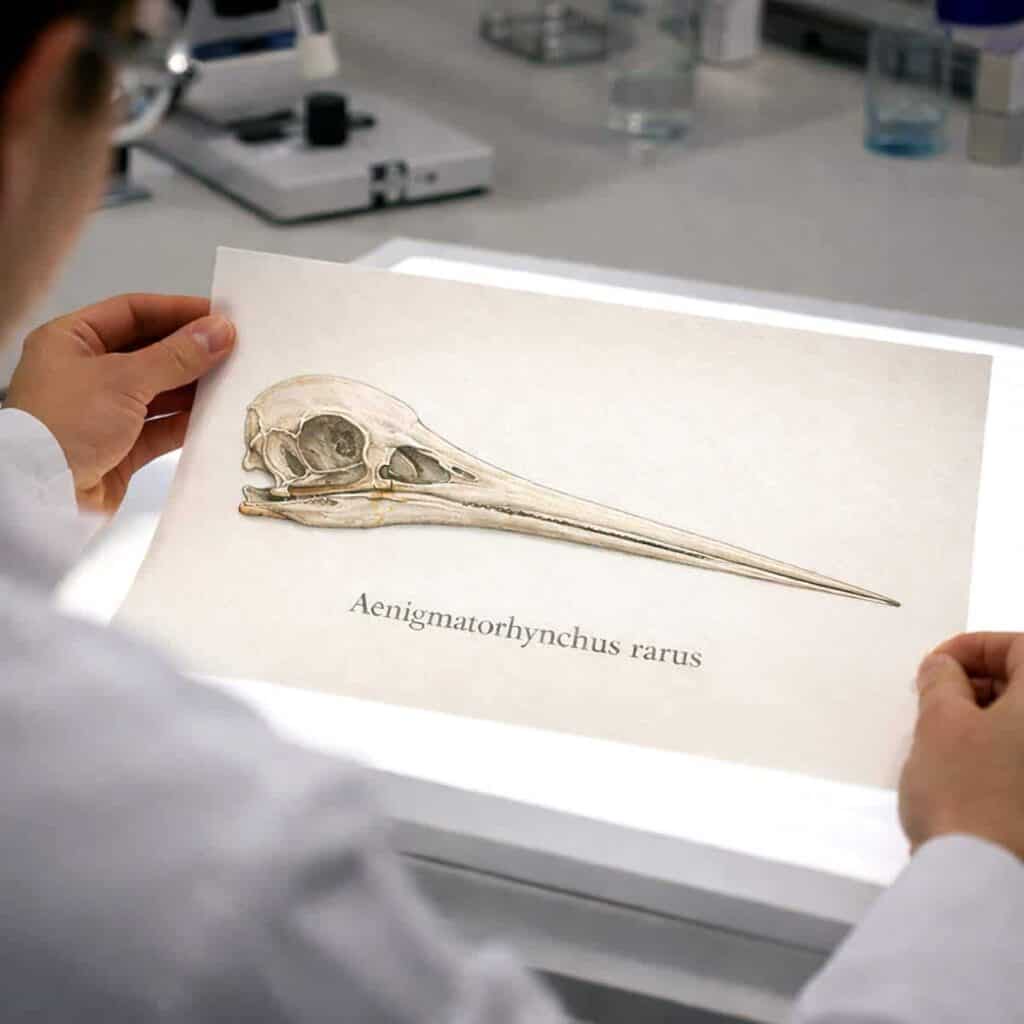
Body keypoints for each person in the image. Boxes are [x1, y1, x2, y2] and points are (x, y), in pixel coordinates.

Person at [0, 2, 1020, 1021]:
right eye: (137, 71)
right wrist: (985, 858)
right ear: (45, 90)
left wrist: (26, 454)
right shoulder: (194, 844)